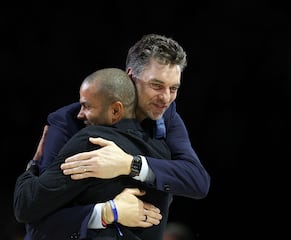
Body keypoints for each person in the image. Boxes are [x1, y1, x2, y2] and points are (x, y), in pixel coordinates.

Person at [21, 33, 211, 239]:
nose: (166, 98)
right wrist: (108, 212)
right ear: (131, 77)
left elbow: (198, 181)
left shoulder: (167, 114)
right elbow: (36, 224)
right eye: (156, 85)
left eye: (173, 88)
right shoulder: (68, 122)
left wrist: (131, 164)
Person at [14, 67, 173, 240]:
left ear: (115, 111)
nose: (80, 114)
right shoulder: (162, 151)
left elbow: (25, 206)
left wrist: (33, 165)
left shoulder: (91, 142)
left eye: (86, 106)